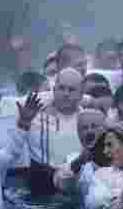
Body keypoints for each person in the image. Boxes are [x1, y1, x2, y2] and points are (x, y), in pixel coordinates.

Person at [5, 67, 84, 196]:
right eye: (61, 88)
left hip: (72, 188)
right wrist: (23, 123)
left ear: (81, 94)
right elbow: (11, 152)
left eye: (71, 90)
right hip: (38, 184)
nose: (66, 93)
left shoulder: (86, 121)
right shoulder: (32, 108)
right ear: (53, 90)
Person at [52, 107, 107, 201]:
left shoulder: (118, 157)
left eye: (94, 126)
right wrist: (79, 162)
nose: (90, 131)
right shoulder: (72, 159)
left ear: (105, 130)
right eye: (84, 128)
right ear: (78, 133)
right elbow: (61, 184)